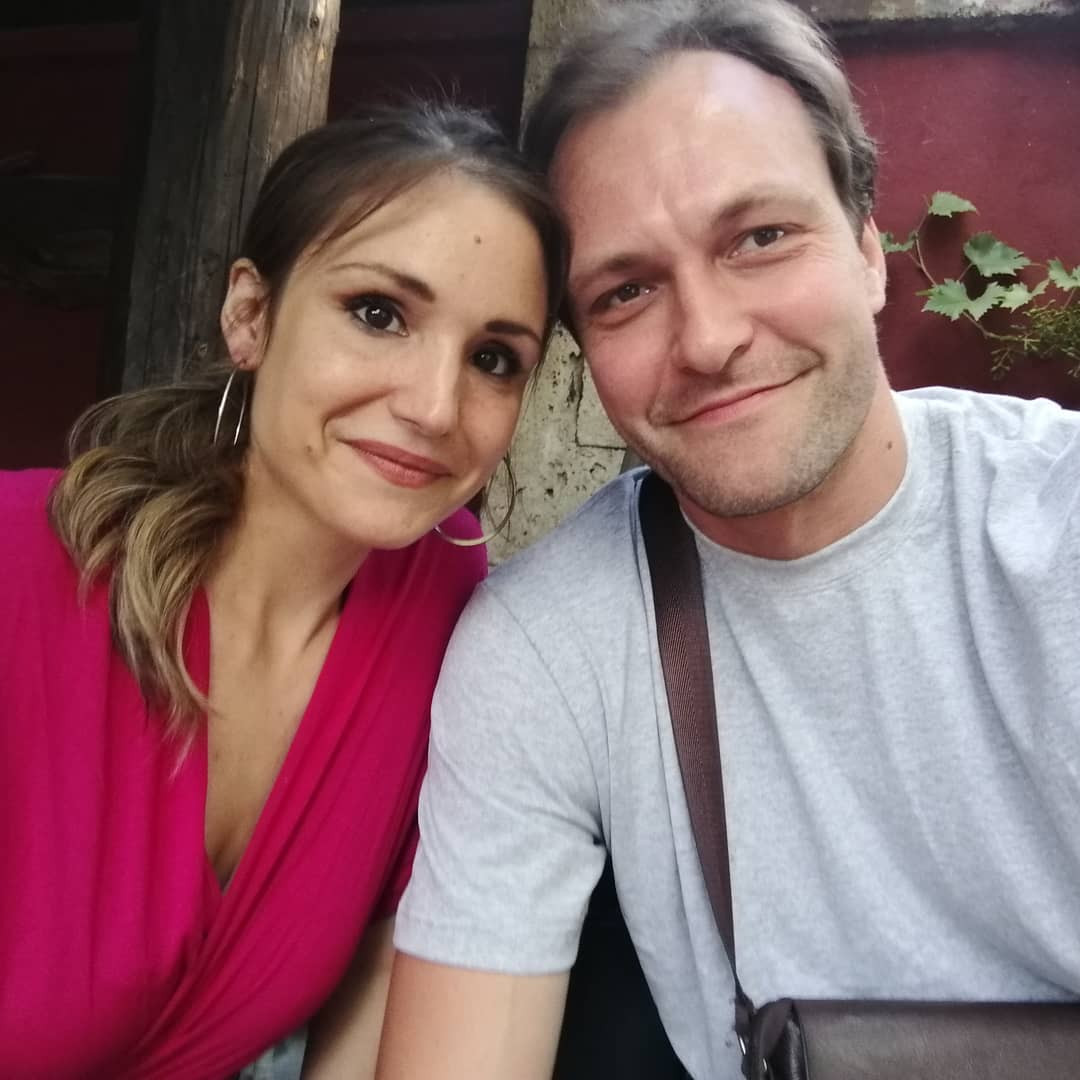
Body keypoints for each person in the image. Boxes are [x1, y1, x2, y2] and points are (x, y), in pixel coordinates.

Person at [373, 2, 1080, 1078]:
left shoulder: (1055, 524)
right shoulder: (548, 649)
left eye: (760, 238)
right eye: (626, 291)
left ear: (868, 251)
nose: (707, 339)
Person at [0, 101, 564, 1079]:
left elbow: (383, 991)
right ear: (250, 316)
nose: (436, 407)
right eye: (378, 313)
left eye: (493, 359)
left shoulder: (449, 620)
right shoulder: (20, 571)